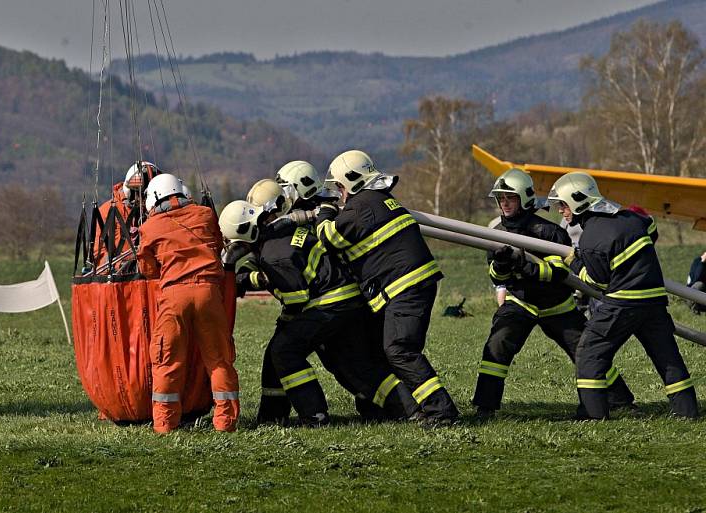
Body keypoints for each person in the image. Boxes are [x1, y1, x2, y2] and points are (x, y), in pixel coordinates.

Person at [245, 175, 418, 424]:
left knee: (284, 350)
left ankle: (312, 415)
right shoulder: (303, 226)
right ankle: (408, 409)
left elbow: (294, 298)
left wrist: (250, 279)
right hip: (348, 300)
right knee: (358, 367)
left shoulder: (279, 245)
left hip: (329, 305)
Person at [472, 169, 635, 419]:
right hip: (521, 302)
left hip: (557, 305)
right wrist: (502, 265)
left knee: (585, 350)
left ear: (525, 199)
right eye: (500, 198)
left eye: (510, 197)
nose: (504, 203)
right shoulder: (495, 233)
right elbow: (497, 278)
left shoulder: (549, 232)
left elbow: (560, 271)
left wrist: (526, 267)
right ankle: (485, 407)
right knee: (497, 344)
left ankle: (620, 400)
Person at [315, 149, 459, 426]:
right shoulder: (380, 200)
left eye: (341, 187)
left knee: (399, 349)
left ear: (351, 181)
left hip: (406, 287)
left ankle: (442, 411)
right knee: (389, 349)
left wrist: (325, 212)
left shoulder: (362, 206)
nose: (341, 194)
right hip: (411, 285)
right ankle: (401, 407)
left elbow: (329, 239)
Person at [548, 171, 698, 419]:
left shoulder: (591, 239)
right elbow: (651, 227)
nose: (561, 211)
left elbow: (597, 281)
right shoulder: (632, 218)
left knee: (589, 353)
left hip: (622, 303)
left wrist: (574, 263)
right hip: (654, 299)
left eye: (563, 205)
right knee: (667, 357)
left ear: (577, 201)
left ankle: (593, 414)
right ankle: (687, 411)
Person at [137, 173, 240, 432]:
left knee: (167, 360)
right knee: (219, 359)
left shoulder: (149, 227)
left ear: (154, 198)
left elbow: (148, 268)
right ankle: (225, 422)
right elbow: (218, 245)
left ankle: (164, 424)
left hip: (174, 297)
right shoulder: (205, 214)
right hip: (209, 293)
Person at [94, 161, 158, 269]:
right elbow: (98, 256)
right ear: (130, 191)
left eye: (148, 195)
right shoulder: (107, 212)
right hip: (122, 279)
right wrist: (123, 266)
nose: (143, 200)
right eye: (140, 194)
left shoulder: (158, 212)